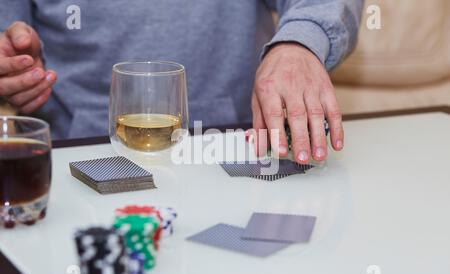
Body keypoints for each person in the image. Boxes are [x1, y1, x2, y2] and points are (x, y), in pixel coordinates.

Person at [0, 0, 363, 164]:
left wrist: (298, 43)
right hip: (81, 157)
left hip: (238, 152)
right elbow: (9, 33)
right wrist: (14, 64)